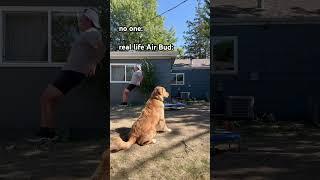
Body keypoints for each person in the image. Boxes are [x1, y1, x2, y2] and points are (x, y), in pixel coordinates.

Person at [28, 8, 106, 142]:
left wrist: (93, 64)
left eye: (82, 19)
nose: (80, 22)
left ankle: (45, 132)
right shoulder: (87, 34)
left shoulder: (92, 33)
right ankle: (49, 132)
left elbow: (101, 49)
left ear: (89, 21)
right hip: (70, 72)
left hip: (73, 73)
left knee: (45, 97)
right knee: (50, 100)